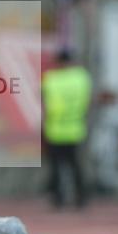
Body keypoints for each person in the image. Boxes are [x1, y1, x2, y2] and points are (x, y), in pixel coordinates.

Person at [42, 48, 92, 208]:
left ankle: (58, 198)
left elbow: (44, 103)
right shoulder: (81, 78)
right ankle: (81, 197)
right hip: (75, 129)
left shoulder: (51, 79)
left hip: (55, 129)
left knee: (56, 166)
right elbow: (87, 101)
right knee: (75, 165)